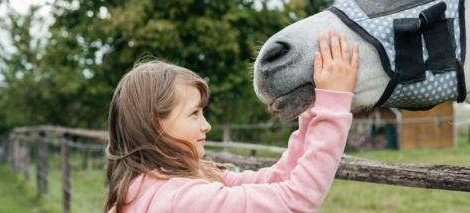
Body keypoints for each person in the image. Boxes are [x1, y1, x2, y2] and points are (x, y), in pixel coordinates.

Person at [104, 30, 359, 213]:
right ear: (155, 124)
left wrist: (310, 108)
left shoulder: (145, 187)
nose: (206, 126)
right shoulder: (183, 199)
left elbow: (277, 178)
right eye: (194, 114)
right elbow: (295, 199)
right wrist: (334, 102)